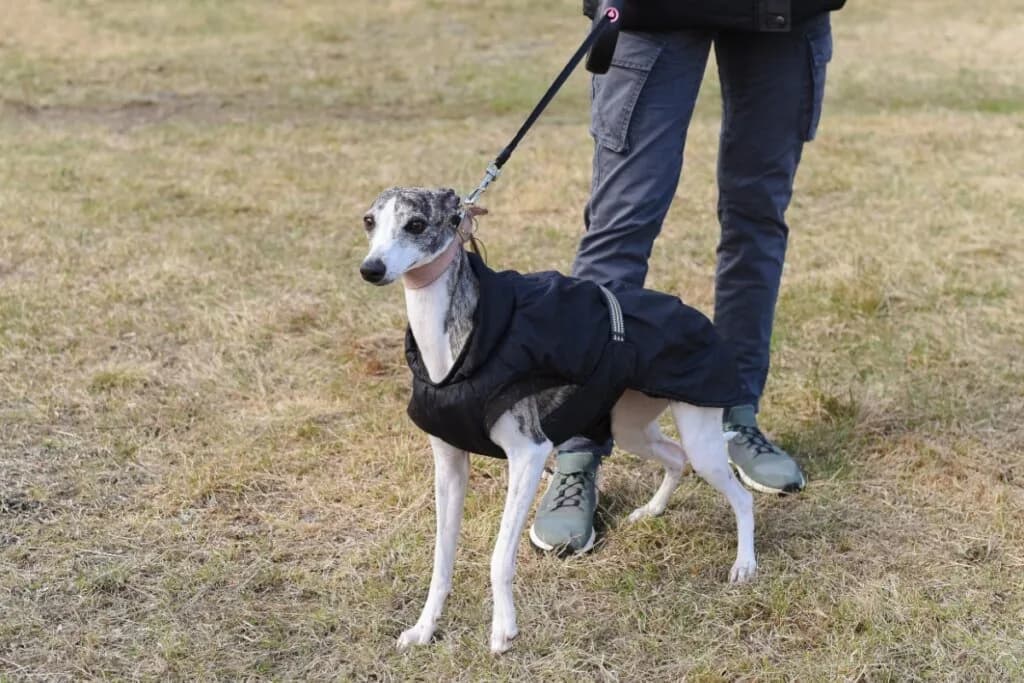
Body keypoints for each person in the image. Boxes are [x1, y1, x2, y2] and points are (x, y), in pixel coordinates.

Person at [529, 10, 834, 554]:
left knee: (757, 218)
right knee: (620, 225)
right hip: (652, 11)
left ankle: (735, 416)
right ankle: (578, 448)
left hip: (781, 12)